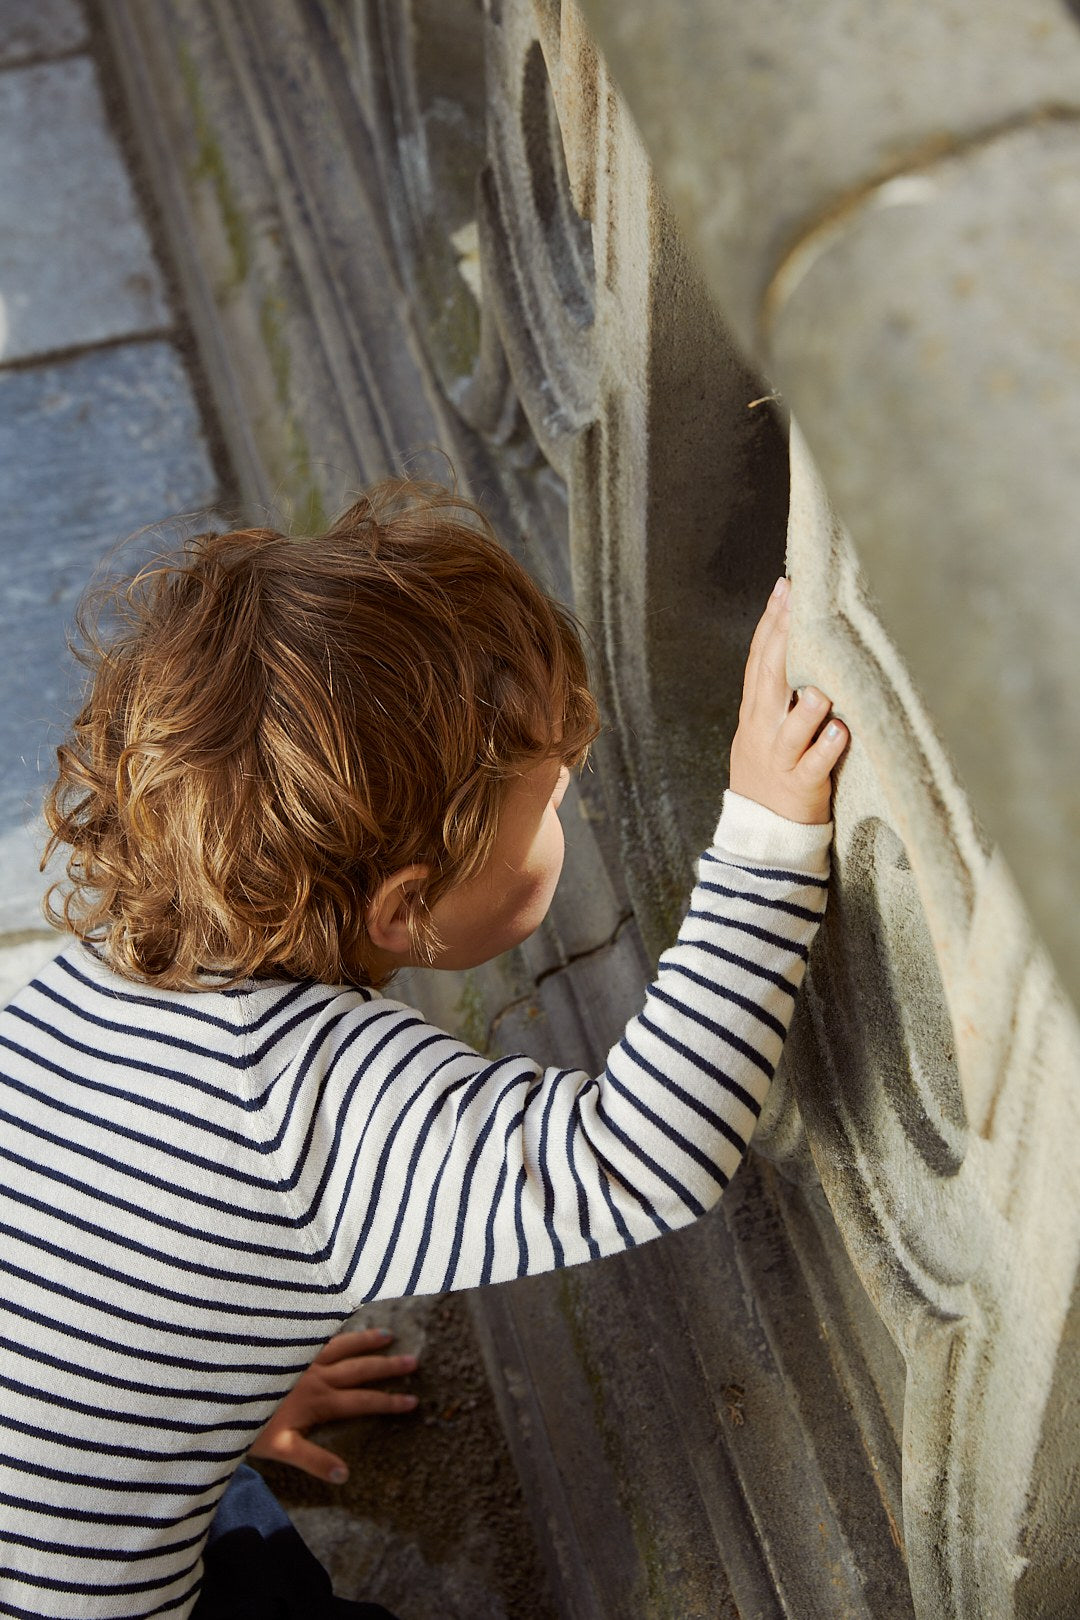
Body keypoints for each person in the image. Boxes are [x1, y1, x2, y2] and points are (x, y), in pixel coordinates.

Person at [0, 477, 848, 1619]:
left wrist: (206, 1385)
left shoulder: (75, 991)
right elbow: (642, 1154)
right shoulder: (313, 1103)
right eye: (548, 801)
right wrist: (767, 834)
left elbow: (78, 1272)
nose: (566, 816)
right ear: (404, 910)